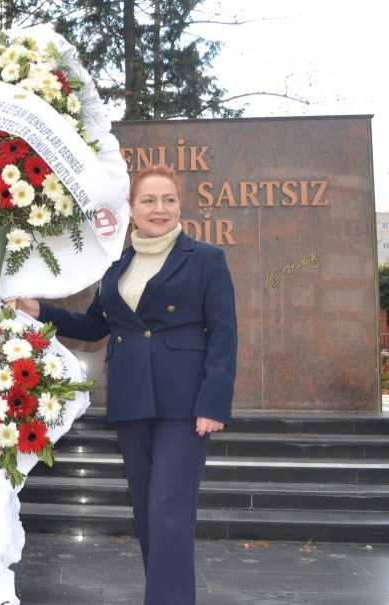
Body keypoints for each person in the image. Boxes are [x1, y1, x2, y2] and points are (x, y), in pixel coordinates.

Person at [16, 164, 237, 605]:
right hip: (132, 399)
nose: (160, 209)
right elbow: (95, 325)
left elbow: (224, 335)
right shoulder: (117, 264)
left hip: (184, 402)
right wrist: (41, 311)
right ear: (132, 209)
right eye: (149, 200)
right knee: (146, 513)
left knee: (168, 512)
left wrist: (213, 403)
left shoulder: (206, 259)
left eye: (168, 199)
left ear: (180, 205)